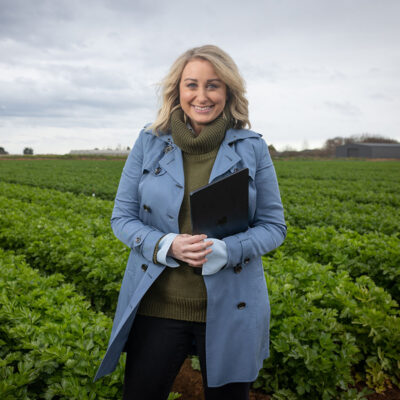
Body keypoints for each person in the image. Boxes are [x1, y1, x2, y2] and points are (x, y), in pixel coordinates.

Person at [94, 44, 286, 400]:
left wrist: (229, 250)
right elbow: (122, 217)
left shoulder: (252, 147)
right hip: (160, 303)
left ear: (228, 92)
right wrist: (165, 245)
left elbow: (274, 226)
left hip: (231, 305)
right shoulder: (149, 142)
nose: (202, 95)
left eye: (213, 85)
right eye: (192, 85)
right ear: (177, 91)